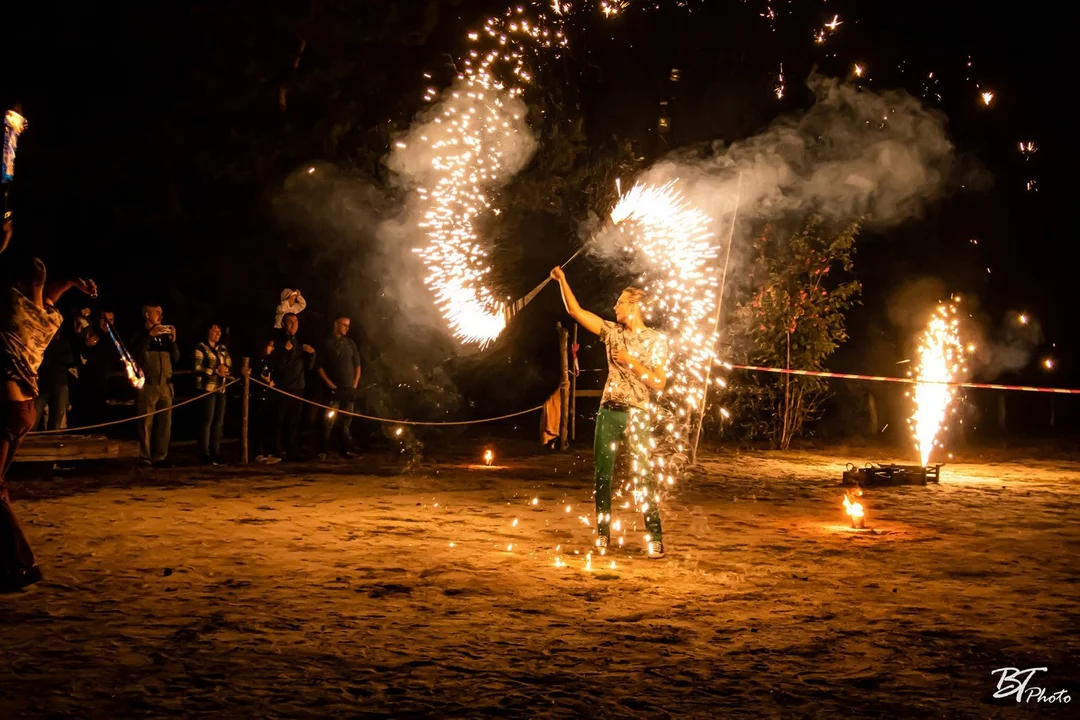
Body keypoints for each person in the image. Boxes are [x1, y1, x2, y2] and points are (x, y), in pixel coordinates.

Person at [550, 266, 670, 558]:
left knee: (643, 475)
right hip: (609, 411)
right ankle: (603, 534)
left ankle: (654, 537)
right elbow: (577, 312)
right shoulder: (612, 332)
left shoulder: (657, 341)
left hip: (637, 413)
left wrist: (630, 361)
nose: (615, 306)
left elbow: (659, 382)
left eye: (620, 302)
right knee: (602, 475)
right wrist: (562, 280)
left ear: (634, 305)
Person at [1, 256, 96, 592]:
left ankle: (24, 564)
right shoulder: (48, 318)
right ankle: (13, 563)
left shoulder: (12, 306)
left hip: (6, 408)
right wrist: (69, 282)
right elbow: (46, 294)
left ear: (20, 287)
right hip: (23, 408)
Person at [130, 304, 179, 467]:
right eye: (157, 312)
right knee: (145, 423)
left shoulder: (164, 336)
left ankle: (161, 456)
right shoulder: (139, 334)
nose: (160, 316)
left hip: (165, 384)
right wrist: (148, 336)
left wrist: (173, 342)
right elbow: (135, 356)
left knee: (165, 423)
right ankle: (144, 456)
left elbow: (176, 358)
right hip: (148, 385)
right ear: (146, 314)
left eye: (161, 313)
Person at [316, 314, 361, 460]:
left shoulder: (350, 344)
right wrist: (330, 384)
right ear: (336, 324)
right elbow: (319, 367)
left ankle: (345, 450)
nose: (347, 328)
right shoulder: (327, 343)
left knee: (346, 421)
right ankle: (322, 450)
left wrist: (355, 383)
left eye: (348, 326)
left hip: (349, 388)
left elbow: (357, 365)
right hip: (333, 388)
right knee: (328, 420)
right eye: (344, 325)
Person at [271, 313, 315, 460]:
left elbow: (307, 368)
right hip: (283, 388)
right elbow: (279, 366)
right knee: (278, 421)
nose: (293, 324)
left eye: (295, 321)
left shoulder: (299, 343)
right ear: (283, 324)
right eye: (290, 321)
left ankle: (292, 450)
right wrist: (285, 351)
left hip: (298, 387)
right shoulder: (278, 342)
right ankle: (276, 449)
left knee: (294, 422)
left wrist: (311, 355)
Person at [193, 323, 232, 465]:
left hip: (221, 388)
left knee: (219, 422)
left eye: (219, 331)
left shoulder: (222, 349)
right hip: (207, 389)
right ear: (207, 331)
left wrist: (225, 370)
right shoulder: (201, 347)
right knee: (207, 421)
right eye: (214, 330)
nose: (217, 333)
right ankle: (205, 452)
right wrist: (215, 370)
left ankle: (216, 451)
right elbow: (197, 368)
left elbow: (228, 363)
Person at [252, 338, 282, 464]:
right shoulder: (258, 361)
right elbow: (256, 376)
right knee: (258, 425)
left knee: (268, 424)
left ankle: (268, 452)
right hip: (258, 396)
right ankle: (257, 452)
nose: (272, 349)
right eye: (270, 346)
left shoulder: (272, 361)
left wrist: (272, 382)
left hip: (269, 396)